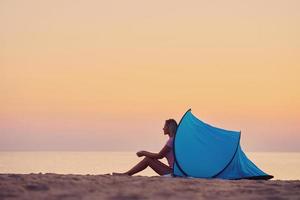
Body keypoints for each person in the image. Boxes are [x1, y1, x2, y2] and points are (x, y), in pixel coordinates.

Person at [112, 119, 178, 176]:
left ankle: (126, 174)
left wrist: (143, 153)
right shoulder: (175, 140)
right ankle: (126, 174)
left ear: (169, 128)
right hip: (175, 171)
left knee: (148, 159)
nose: (163, 128)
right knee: (148, 158)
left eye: (165, 126)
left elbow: (159, 156)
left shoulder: (171, 141)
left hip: (173, 173)